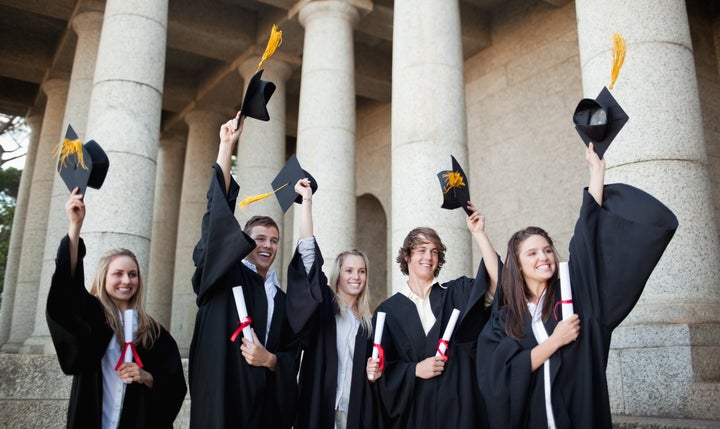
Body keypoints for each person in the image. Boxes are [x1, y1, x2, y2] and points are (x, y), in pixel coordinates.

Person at [476, 143, 678, 429]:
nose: (544, 257)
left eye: (547, 250)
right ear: (517, 265)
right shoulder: (507, 319)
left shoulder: (572, 298)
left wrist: (597, 172)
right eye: (532, 253)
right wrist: (555, 341)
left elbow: (586, 237)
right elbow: (499, 377)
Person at [188, 114, 298, 429]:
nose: (267, 246)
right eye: (259, 239)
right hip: (224, 401)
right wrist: (226, 147)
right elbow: (216, 217)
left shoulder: (281, 298)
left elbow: (290, 353)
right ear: (242, 242)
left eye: (274, 241)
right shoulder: (224, 277)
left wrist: (271, 360)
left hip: (264, 409)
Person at [46, 188, 187, 428]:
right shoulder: (91, 317)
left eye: (133, 274)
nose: (126, 280)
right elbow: (65, 289)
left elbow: (174, 384)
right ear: (104, 277)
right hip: (93, 418)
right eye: (118, 274)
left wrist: (147, 377)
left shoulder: (150, 331)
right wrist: (75, 227)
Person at [373, 201, 499, 428]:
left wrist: (479, 234)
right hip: (414, 415)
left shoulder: (457, 293)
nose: (428, 257)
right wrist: (414, 370)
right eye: (421, 250)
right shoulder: (387, 312)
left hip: (460, 411)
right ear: (407, 257)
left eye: (434, 252)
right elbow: (382, 372)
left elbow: (498, 283)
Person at [285, 178, 380, 429]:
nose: (355, 277)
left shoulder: (368, 323)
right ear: (339, 273)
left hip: (354, 411)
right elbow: (308, 256)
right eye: (349, 270)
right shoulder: (325, 305)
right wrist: (307, 202)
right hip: (319, 405)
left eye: (361, 272)